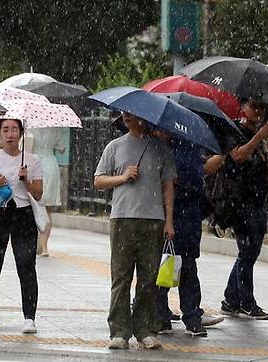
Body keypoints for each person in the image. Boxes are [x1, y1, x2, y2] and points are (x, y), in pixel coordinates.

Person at [94, 112, 176, 350]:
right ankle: (119, 331)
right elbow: (98, 180)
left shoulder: (161, 148)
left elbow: (168, 186)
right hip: (122, 219)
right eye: (124, 114)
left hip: (153, 220)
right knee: (121, 276)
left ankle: (145, 329)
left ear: (144, 116)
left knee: (148, 278)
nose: (126, 117)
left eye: (132, 114)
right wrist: (122, 177)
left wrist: (169, 221)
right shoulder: (115, 146)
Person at [0, 118, 43, 334]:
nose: (10, 134)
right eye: (6, 129)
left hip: (23, 215)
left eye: (15, 129)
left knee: (26, 265)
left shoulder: (32, 160)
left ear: (22, 132)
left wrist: (26, 181)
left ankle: (29, 317)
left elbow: (39, 193)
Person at [152, 131, 224, 337]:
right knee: (163, 264)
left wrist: (176, 179)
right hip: (162, 212)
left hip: (187, 215)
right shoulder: (151, 145)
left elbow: (196, 175)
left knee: (187, 266)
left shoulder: (187, 145)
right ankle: (161, 315)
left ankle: (192, 316)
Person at [217, 96, 268, 320]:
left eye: (262, 107)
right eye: (254, 106)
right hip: (240, 202)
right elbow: (238, 156)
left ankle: (231, 299)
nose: (258, 111)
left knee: (249, 253)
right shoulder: (235, 130)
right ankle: (246, 302)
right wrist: (259, 137)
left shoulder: (263, 140)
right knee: (247, 252)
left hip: (258, 201)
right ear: (243, 107)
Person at [29, 127, 64, 257]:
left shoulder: (30, 127)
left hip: (35, 163)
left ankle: (35, 242)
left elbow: (26, 147)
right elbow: (61, 148)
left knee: (34, 204)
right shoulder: (56, 128)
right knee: (48, 208)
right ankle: (44, 246)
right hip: (50, 163)